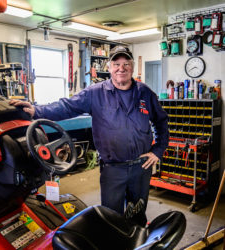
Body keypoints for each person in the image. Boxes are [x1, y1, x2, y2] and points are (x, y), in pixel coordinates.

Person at [9, 45, 169, 226]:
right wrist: (36, 110)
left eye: (126, 64)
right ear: (109, 68)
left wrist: (158, 151)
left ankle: (137, 243)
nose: (121, 68)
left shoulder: (145, 92)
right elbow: (66, 107)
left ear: (132, 67)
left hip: (142, 166)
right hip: (113, 168)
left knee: (138, 213)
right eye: (116, 64)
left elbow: (161, 121)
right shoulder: (95, 93)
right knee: (111, 218)